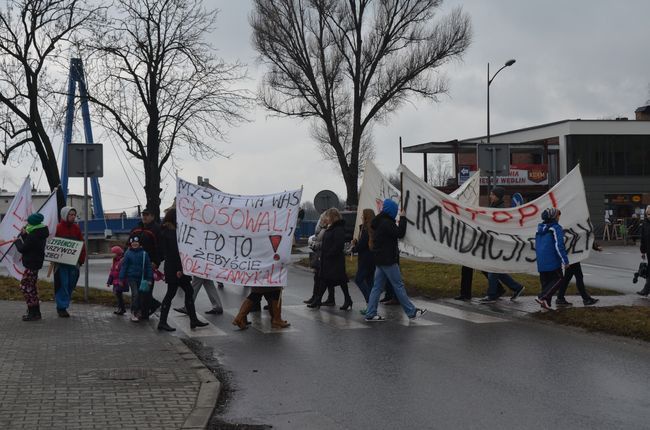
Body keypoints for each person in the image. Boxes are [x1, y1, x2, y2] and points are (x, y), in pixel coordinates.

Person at [364, 199, 426, 321]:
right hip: (388, 260)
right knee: (398, 285)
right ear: (391, 210)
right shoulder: (387, 222)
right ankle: (411, 312)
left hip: (380, 260)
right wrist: (403, 218)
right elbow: (400, 233)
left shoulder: (380, 221)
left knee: (377, 287)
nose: (396, 212)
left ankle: (370, 313)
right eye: (395, 210)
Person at [157, 209, 208, 331]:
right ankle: (162, 322)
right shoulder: (169, 233)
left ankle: (193, 320)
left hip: (176, 268)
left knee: (189, 291)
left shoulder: (168, 231)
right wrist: (179, 269)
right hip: (175, 269)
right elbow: (174, 253)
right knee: (171, 294)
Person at [480, 188, 525, 303]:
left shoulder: (500, 210)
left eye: (492, 194)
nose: (490, 196)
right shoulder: (494, 207)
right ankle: (516, 287)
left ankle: (492, 294)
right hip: (492, 243)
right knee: (493, 269)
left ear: (497, 196)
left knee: (492, 269)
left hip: (497, 244)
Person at [308, 208, 352, 310]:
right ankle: (318, 300)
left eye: (327, 216)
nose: (326, 219)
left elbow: (338, 245)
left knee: (340, 281)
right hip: (328, 260)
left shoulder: (338, 229)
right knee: (326, 280)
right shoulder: (330, 227)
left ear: (332, 217)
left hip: (334, 260)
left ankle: (347, 299)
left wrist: (329, 254)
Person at [14, 213, 49, 321]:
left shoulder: (34, 234)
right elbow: (31, 245)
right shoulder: (40, 231)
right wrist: (25, 235)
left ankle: (33, 312)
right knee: (31, 288)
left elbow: (23, 248)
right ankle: (35, 312)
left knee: (25, 287)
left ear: (33, 223)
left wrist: (17, 241)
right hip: (35, 263)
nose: (27, 223)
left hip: (31, 264)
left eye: (29, 222)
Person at [128, 208, 162, 319]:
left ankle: (144, 314)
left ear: (152, 216)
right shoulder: (136, 229)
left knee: (146, 291)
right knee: (137, 291)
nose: (145, 217)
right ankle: (147, 308)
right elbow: (128, 244)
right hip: (135, 266)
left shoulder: (157, 229)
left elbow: (161, 249)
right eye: (143, 215)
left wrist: (156, 262)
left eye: (147, 215)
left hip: (148, 266)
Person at [53, 206, 86, 317]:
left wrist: (81, 259)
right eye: (70, 214)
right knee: (62, 284)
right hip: (61, 264)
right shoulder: (57, 228)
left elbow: (81, 244)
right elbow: (52, 244)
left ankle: (64, 303)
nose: (72, 217)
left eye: (74, 215)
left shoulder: (76, 228)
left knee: (71, 284)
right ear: (65, 215)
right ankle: (61, 307)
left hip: (74, 263)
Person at [534, 208, 569, 310]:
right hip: (552, 260)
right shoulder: (556, 228)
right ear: (553, 217)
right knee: (559, 279)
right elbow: (559, 245)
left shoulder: (539, 229)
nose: (559, 217)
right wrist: (565, 260)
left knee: (546, 283)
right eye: (558, 215)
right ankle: (542, 297)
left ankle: (545, 304)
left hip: (541, 262)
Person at [555, 241, 602, 306]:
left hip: (570, 254)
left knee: (567, 278)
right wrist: (595, 246)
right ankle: (586, 299)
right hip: (573, 255)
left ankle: (560, 298)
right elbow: (583, 236)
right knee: (579, 277)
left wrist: (595, 246)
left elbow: (582, 236)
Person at [119, 236, 153, 322]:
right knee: (135, 294)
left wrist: (149, 278)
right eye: (133, 242)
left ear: (139, 243)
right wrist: (121, 278)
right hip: (131, 278)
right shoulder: (128, 253)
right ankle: (133, 312)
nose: (134, 244)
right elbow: (124, 266)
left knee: (141, 296)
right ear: (130, 244)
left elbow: (148, 267)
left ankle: (138, 311)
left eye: (136, 242)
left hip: (142, 279)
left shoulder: (144, 253)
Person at [304, 211, 335, 306]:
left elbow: (325, 241)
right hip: (319, 254)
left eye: (322, 219)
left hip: (323, 255)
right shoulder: (323, 228)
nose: (321, 221)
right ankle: (317, 297)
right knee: (318, 277)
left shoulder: (328, 229)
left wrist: (317, 245)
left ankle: (318, 298)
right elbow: (318, 235)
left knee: (322, 278)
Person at [351, 209, 375, 312]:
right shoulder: (373, 228)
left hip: (365, 260)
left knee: (359, 279)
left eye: (362, 215)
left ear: (366, 217)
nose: (361, 217)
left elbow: (362, 245)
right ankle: (371, 306)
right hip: (372, 259)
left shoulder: (366, 229)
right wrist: (356, 242)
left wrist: (354, 248)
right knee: (369, 282)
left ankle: (370, 303)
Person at [106, 246, 128, 315]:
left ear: (117, 253)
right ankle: (121, 308)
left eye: (113, 253)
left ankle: (121, 308)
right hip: (115, 282)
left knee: (118, 295)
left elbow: (123, 272)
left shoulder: (121, 261)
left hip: (120, 282)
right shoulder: (114, 261)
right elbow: (112, 273)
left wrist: (122, 281)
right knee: (118, 295)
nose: (112, 255)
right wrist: (109, 282)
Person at [636, 206, 650, 296]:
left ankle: (646, 290)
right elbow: (643, 238)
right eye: (648, 214)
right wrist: (643, 251)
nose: (649, 215)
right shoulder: (645, 224)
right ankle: (646, 290)